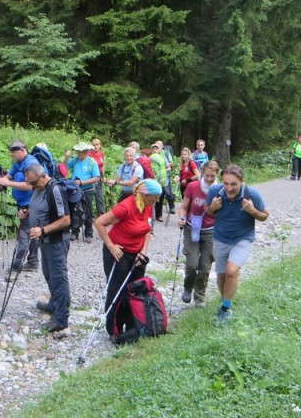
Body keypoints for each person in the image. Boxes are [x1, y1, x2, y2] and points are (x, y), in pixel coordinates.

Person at [94, 179, 161, 336]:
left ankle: (133, 327)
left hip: (137, 255)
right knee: (117, 291)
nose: (157, 200)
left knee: (135, 291)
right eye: (155, 197)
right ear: (144, 194)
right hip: (119, 253)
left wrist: (143, 252)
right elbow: (99, 223)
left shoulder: (148, 206)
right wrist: (111, 246)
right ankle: (114, 330)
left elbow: (147, 230)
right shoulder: (125, 207)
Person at [206, 165, 269, 323]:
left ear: (242, 181)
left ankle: (225, 309)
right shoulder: (215, 192)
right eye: (226, 183)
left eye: (233, 184)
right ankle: (226, 300)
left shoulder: (252, 194)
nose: (229, 188)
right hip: (220, 238)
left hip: (243, 238)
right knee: (221, 275)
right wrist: (212, 208)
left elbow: (264, 216)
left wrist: (253, 211)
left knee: (231, 271)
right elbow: (208, 211)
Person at [25, 164, 72, 333]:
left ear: (43, 176)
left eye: (34, 183)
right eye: (29, 183)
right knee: (48, 273)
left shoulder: (55, 190)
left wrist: (42, 230)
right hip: (45, 240)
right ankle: (54, 303)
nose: (32, 187)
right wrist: (27, 214)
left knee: (58, 277)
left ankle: (61, 318)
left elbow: (66, 220)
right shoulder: (39, 188)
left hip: (57, 241)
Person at [177, 160, 220, 308]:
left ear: (217, 175)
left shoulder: (221, 190)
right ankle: (188, 288)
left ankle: (199, 297)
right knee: (191, 264)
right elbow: (183, 207)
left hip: (211, 231)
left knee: (205, 266)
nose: (209, 179)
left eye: (212, 176)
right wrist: (181, 218)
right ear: (202, 172)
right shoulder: (193, 186)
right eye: (207, 175)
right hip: (192, 228)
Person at [0, 140, 42, 273]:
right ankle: (33, 262)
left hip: (31, 204)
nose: (12, 156)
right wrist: (2, 181)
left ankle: (16, 266)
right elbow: (10, 175)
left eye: (14, 153)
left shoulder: (31, 163)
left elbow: (30, 185)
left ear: (22, 151)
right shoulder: (19, 163)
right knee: (31, 232)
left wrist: (9, 183)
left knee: (24, 234)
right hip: (22, 203)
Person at [63, 142, 100, 242]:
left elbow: (97, 178)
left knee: (88, 211)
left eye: (80, 152)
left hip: (87, 190)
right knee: (75, 210)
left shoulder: (92, 162)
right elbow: (63, 167)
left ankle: (89, 233)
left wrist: (82, 182)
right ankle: (75, 232)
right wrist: (66, 157)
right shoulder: (75, 160)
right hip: (75, 190)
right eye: (77, 151)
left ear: (86, 152)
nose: (78, 153)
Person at [148, 144, 168, 222]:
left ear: (159, 150)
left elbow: (168, 167)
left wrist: (163, 171)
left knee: (160, 198)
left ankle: (159, 215)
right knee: (151, 198)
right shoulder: (149, 158)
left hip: (161, 181)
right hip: (153, 180)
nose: (155, 150)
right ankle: (150, 215)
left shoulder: (163, 158)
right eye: (153, 149)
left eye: (156, 149)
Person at [157, 140, 176, 213]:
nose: (158, 147)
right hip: (157, 176)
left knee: (168, 192)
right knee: (159, 193)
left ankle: (172, 207)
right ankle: (158, 211)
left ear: (162, 146)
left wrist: (164, 167)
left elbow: (171, 163)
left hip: (166, 175)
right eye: (157, 145)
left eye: (159, 145)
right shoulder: (154, 154)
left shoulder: (166, 153)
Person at [89, 138, 106, 217]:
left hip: (100, 176)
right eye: (94, 145)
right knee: (91, 196)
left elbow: (103, 165)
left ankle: (101, 215)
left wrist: (103, 175)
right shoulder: (89, 154)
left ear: (100, 145)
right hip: (91, 177)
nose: (96, 147)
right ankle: (90, 215)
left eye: (97, 145)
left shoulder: (102, 154)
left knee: (100, 196)